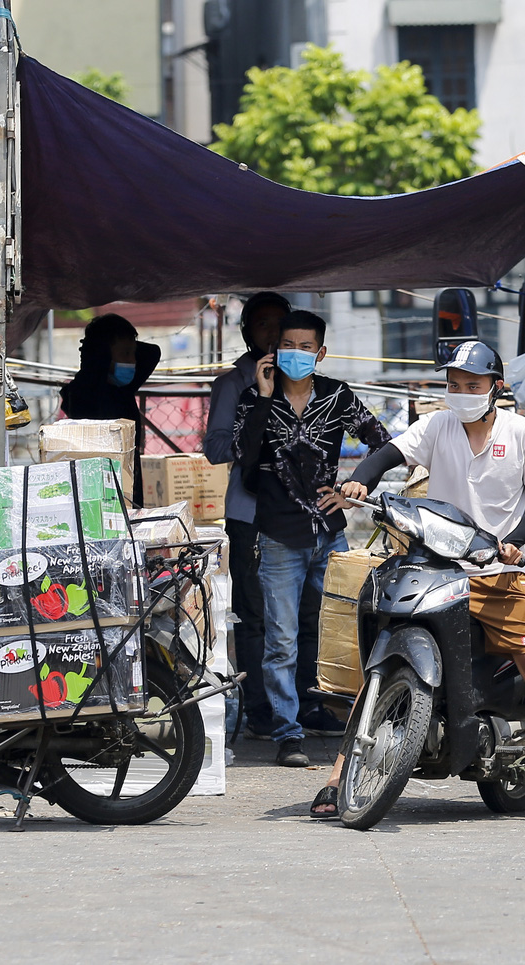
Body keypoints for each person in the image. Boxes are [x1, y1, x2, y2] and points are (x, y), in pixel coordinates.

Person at [312, 340, 525, 824]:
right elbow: (387, 453)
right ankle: (337, 776)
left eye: (472, 386)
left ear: (495, 387)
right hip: (435, 566)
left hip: (499, 573)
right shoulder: (437, 425)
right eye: (453, 385)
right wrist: (360, 481)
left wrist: (514, 542)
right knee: (382, 660)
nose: (461, 394)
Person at [232, 308, 392, 767]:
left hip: (330, 535)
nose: (296, 354)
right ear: (273, 352)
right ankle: (288, 734)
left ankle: (355, 724)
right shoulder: (251, 399)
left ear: (320, 353)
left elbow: (382, 442)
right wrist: (264, 397)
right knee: (280, 639)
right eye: (288, 346)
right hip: (278, 535)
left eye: (306, 347)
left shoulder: (337, 395)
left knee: (344, 631)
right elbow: (244, 462)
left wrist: (353, 488)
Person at [204, 291, 328, 741]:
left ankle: (308, 702)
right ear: (246, 332)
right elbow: (216, 448)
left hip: (304, 517)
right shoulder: (233, 384)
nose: (275, 337)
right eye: (264, 326)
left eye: (283, 327)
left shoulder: (317, 384)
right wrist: (260, 422)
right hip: (253, 516)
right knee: (258, 617)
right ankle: (263, 710)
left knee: (311, 612)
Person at [59, 313, 160, 503]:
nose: (133, 361)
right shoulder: (83, 393)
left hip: (129, 487)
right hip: (99, 493)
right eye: (125, 353)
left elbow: (153, 352)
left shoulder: (122, 389)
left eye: (133, 352)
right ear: (103, 356)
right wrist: (95, 353)